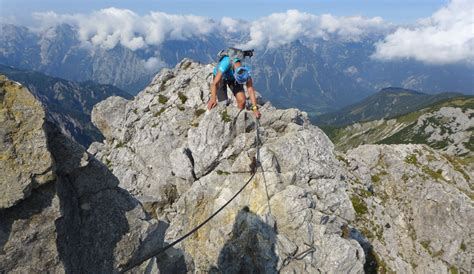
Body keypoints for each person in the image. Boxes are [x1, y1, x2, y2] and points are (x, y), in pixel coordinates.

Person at [207, 51, 261, 119]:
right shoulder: (226, 63)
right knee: (223, 103)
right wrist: (213, 98)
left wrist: (255, 108)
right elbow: (214, 84)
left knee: (242, 101)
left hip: (232, 78)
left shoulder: (245, 68)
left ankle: (237, 119)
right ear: (235, 74)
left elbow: (250, 89)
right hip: (221, 77)